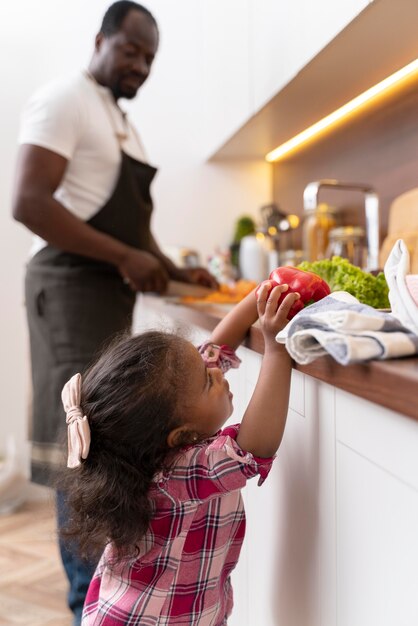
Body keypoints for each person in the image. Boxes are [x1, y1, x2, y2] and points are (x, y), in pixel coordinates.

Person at [11, 2, 216, 624]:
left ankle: (105, 589)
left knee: (106, 437)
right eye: (130, 49)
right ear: (99, 40)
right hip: (68, 285)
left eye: (149, 57)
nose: (139, 65)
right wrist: (124, 256)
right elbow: (27, 201)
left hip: (104, 288)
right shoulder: (64, 99)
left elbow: (137, 230)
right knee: (82, 443)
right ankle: (84, 602)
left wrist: (177, 270)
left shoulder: (120, 124)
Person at [60, 282, 300, 625]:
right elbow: (255, 447)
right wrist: (277, 351)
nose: (216, 370)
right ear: (182, 435)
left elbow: (213, 351)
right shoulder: (180, 474)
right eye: (207, 380)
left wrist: (260, 294)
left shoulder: (148, 448)